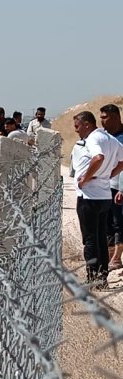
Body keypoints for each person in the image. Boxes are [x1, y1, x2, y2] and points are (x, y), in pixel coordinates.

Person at [72, 111, 123, 288]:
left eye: (77, 126)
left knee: (90, 239)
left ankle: (93, 278)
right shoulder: (109, 138)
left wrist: (85, 179)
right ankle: (102, 278)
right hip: (104, 197)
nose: (76, 130)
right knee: (101, 238)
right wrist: (107, 175)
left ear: (86, 124)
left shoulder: (93, 139)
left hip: (89, 197)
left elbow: (98, 157)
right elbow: (122, 161)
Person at [101, 104, 123, 270]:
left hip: (119, 186)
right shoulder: (103, 137)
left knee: (119, 222)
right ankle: (110, 256)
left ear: (115, 117)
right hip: (104, 185)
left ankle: (116, 258)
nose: (102, 121)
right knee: (107, 222)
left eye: (105, 117)